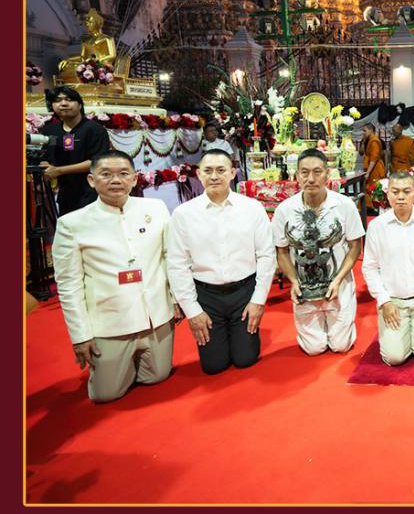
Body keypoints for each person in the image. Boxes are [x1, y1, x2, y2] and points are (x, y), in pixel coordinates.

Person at [51, 151, 180, 402]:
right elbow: (69, 285)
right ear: (92, 180)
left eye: (123, 174)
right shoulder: (72, 224)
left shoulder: (155, 208)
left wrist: (176, 299)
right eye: (106, 174)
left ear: (134, 178)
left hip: (156, 317)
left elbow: (170, 256)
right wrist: (80, 335)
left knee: (157, 377)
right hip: (110, 323)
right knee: (106, 394)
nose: (115, 180)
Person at [166, 150, 276, 375]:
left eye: (221, 170)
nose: (214, 176)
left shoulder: (252, 208)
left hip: (243, 291)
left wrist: (258, 300)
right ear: (198, 174)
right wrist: (192, 310)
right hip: (206, 295)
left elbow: (266, 255)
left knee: (245, 359)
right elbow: (177, 264)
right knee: (213, 366)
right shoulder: (183, 214)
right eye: (208, 171)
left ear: (233, 173)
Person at [273, 149, 364, 355]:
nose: (311, 178)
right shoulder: (284, 210)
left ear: (327, 174)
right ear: (296, 176)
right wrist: (294, 281)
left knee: (340, 346)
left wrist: (339, 279)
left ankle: (340, 318)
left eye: (317, 172)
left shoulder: (344, 205)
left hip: (337, 284)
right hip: (304, 286)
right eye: (304, 173)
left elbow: (355, 246)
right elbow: (282, 251)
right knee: (314, 349)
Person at [362, 170, 414, 365]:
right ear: (388, 194)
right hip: (393, 303)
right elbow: (370, 268)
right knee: (394, 358)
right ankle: (399, 332)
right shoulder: (377, 227)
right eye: (395, 191)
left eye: (406, 191)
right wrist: (384, 301)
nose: (401, 197)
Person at [39, 86, 111, 216]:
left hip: (91, 193)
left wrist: (59, 170)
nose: (63, 104)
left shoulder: (94, 129)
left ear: (79, 105)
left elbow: (97, 162)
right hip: (65, 195)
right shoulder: (51, 131)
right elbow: (47, 155)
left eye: (69, 99)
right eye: (58, 100)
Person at [361, 124, 386, 206]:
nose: (363, 133)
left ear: (371, 130)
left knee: (375, 189)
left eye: (365, 131)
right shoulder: (369, 140)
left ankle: (375, 209)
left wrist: (368, 172)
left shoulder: (374, 141)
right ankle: (370, 208)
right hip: (372, 168)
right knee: (370, 189)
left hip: (376, 168)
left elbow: (373, 159)